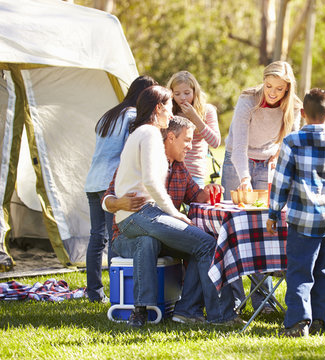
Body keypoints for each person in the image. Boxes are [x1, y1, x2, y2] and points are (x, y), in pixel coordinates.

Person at [103, 86, 240, 327]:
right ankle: (222, 316)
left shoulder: (146, 138)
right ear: (159, 108)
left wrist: (206, 194)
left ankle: (183, 311)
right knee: (207, 244)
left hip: (140, 218)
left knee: (196, 245)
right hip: (140, 215)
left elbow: (191, 194)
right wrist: (175, 214)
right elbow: (151, 183)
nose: (171, 111)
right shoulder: (149, 134)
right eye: (168, 106)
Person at [267, 88, 325, 337]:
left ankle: (298, 323)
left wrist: (273, 214)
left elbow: (281, 181)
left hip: (302, 220)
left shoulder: (292, 141)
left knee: (299, 272)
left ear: (302, 113)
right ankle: (319, 320)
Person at [221, 60, 302, 313]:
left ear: (288, 89)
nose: (273, 93)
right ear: (263, 82)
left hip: (267, 161)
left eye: (279, 89)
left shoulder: (293, 107)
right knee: (233, 225)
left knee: (262, 227)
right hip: (238, 160)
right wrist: (244, 177)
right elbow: (239, 144)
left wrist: (276, 161)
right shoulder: (248, 100)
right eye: (269, 86)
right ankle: (233, 300)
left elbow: (288, 144)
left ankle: (262, 299)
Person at [84, 75, 157, 303]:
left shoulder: (109, 114)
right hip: (111, 185)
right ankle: (119, 293)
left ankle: (94, 293)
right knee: (116, 237)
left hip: (93, 181)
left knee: (97, 239)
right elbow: (130, 152)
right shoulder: (133, 116)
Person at [167, 71, 220, 187]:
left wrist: (195, 117)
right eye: (177, 94)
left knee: (195, 205)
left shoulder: (207, 111)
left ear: (195, 92)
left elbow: (215, 142)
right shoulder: (170, 112)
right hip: (170, 172)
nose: (182, 98)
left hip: (195, 174)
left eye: (187, 93)